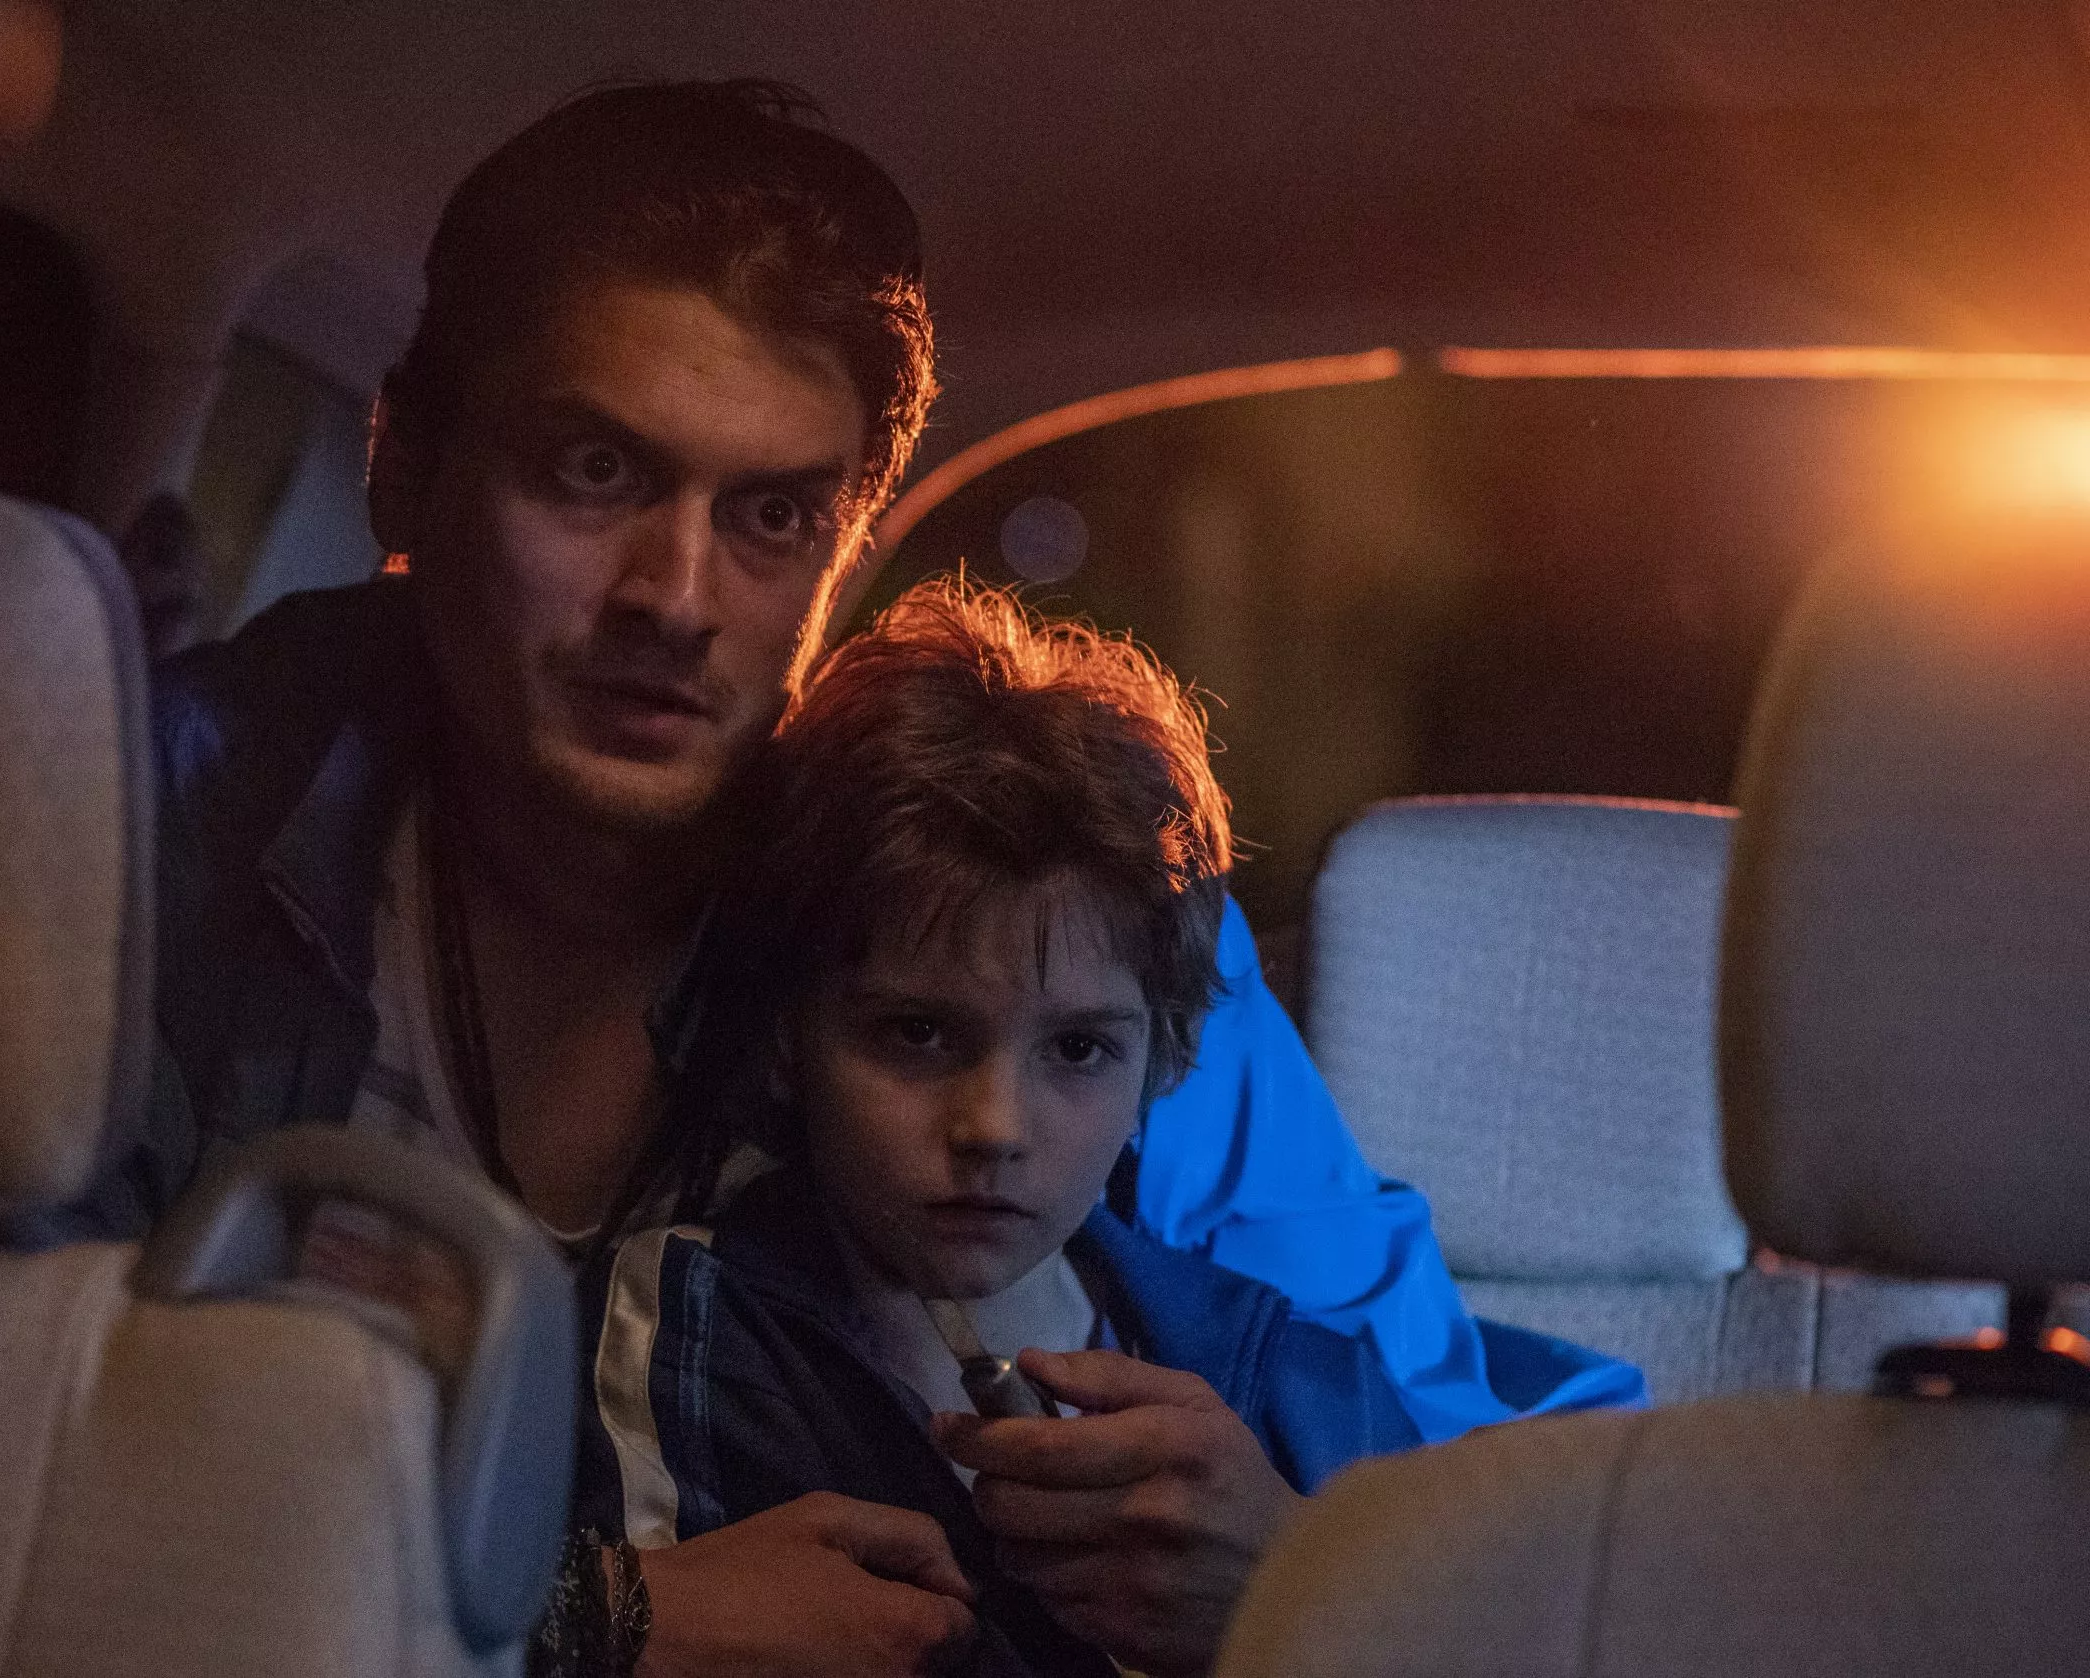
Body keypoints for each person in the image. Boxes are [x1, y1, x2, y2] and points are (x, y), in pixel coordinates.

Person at [121, 79, 1640, 1677]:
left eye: (773, 513)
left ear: (843, 547)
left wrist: (1305, 1571)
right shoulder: (153, 858)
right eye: (591, 470)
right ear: (403, 469)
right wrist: (589, 1625)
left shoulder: (1041, 917)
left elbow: (1478, 1499)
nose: (675, 597)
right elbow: (11, 1506)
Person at [568, 577, 1425, 1677]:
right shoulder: (689, 1334)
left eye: (1078, 1049)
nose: (994, 1127)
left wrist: (1306, 1590)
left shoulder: (1292, 1380)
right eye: (918, 1033)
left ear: (1162, 1061)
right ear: (786, 1038)